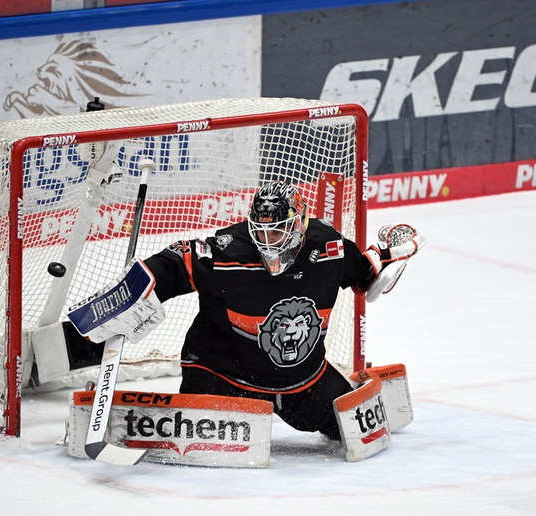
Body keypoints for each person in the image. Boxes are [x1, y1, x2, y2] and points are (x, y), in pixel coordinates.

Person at [138, 181, 424, 441]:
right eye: (259, 230)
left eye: (276, 231)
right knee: (202, 440)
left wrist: (387, 254)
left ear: (299, 224)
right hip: (223, 375)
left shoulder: (329, 248)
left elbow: (365, 279)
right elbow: (171, 266)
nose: (267, 240)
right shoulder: (229, 253)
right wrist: (136, 287)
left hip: (301, 381)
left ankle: (346, 389)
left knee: (356, 433)